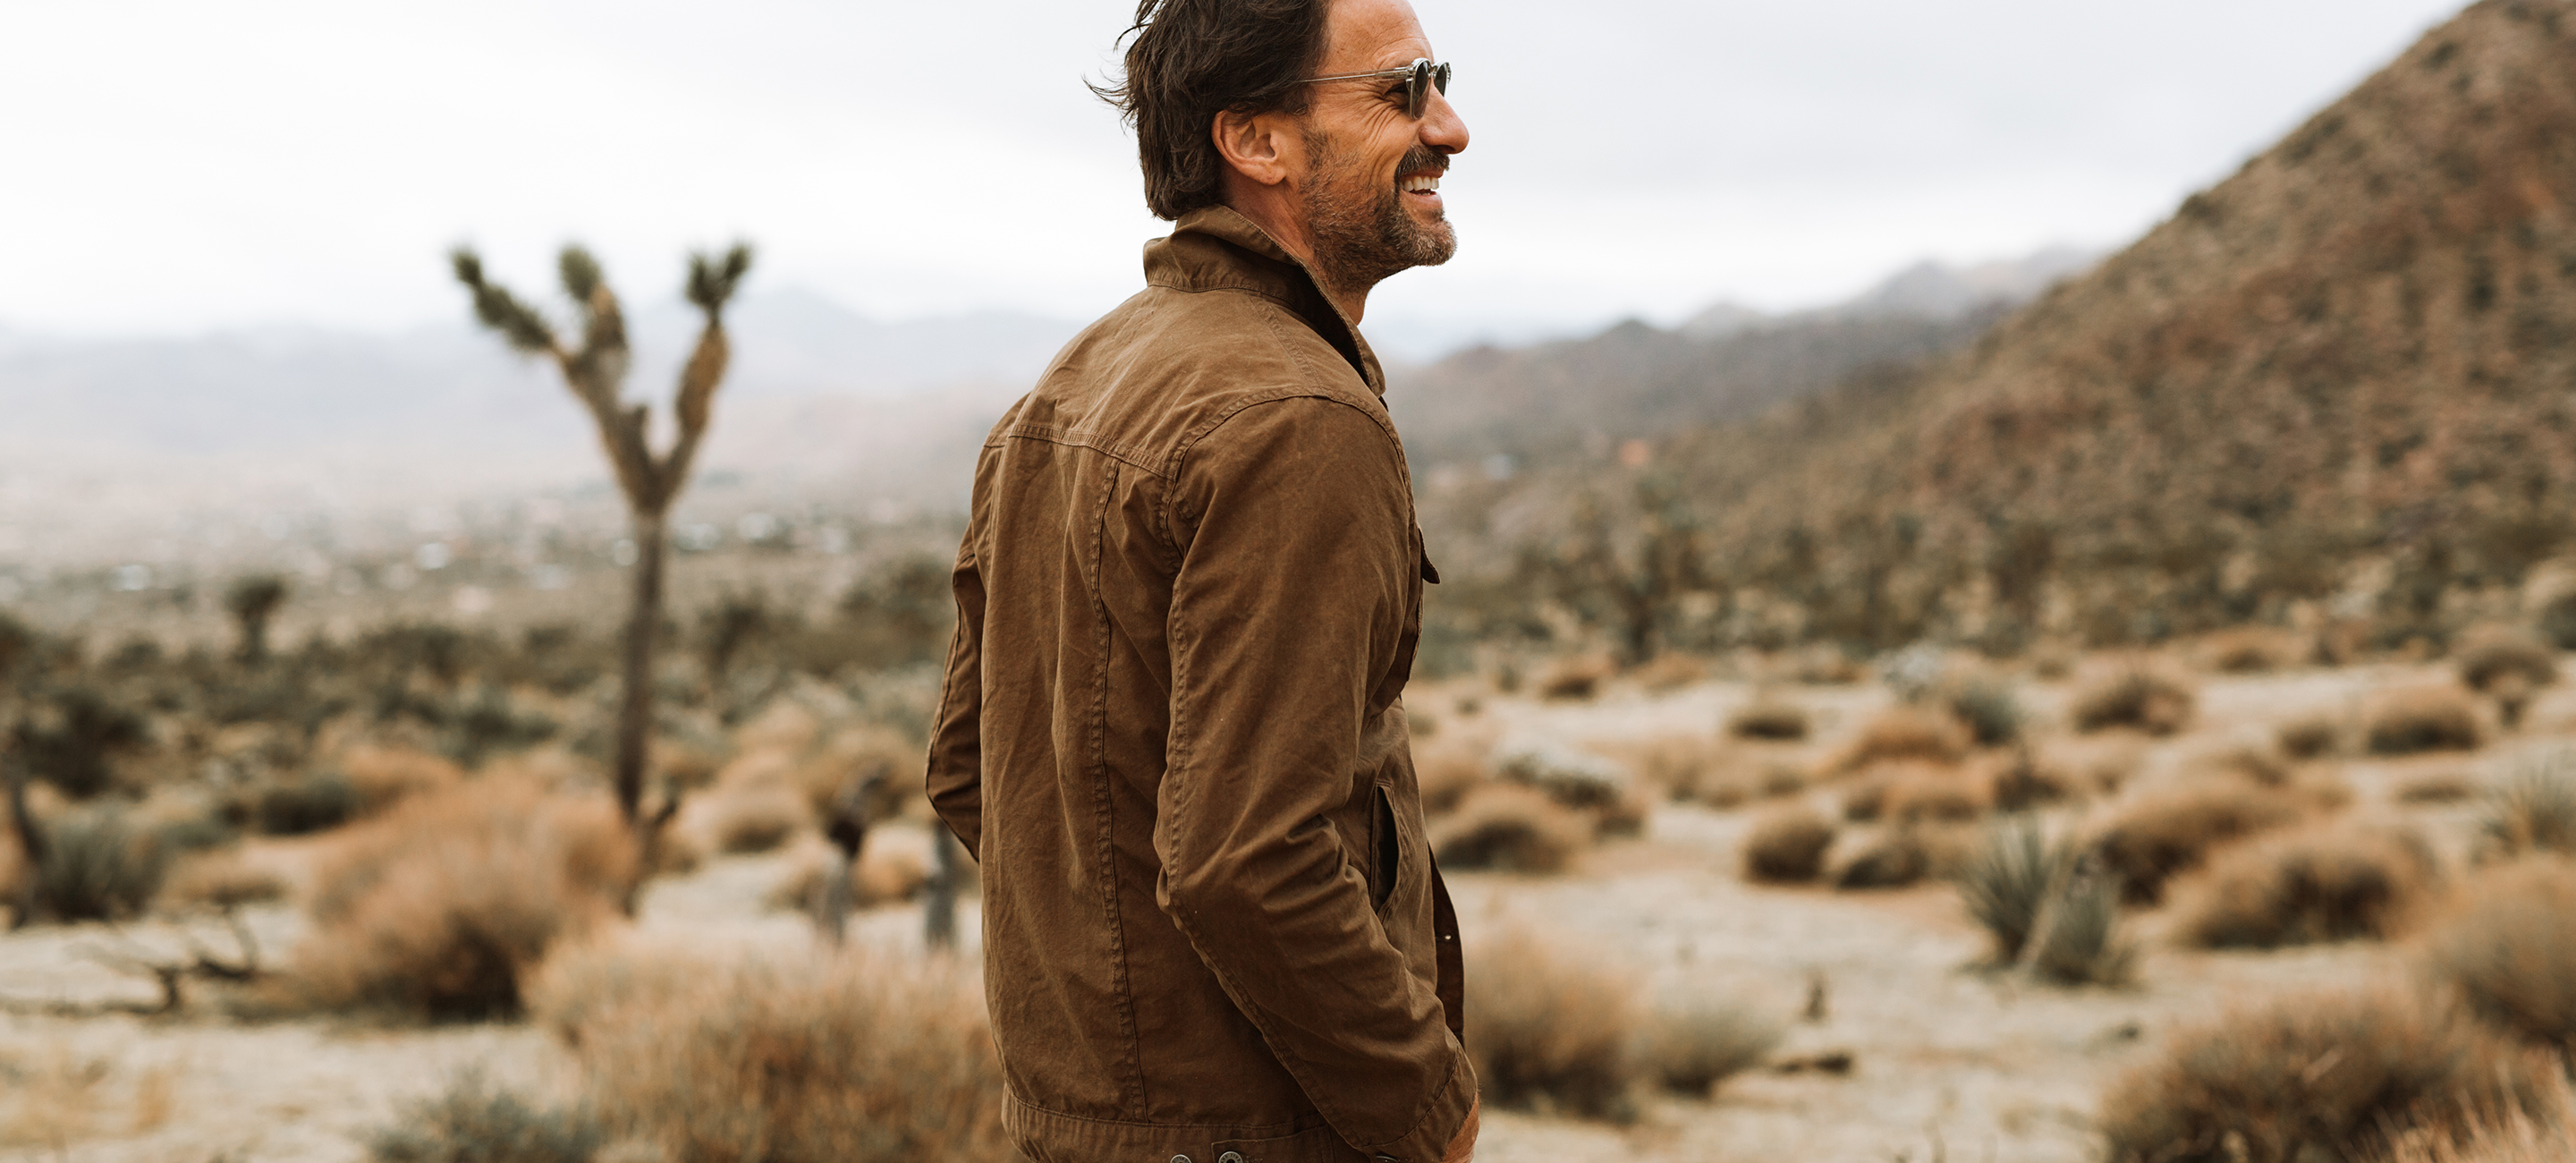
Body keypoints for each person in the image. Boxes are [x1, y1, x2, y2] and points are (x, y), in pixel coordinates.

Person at [924, 0, 1477, 1159]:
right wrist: (1427, 1105)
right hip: (1258, 1131)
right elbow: (1249, 860)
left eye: (1442, 80)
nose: (1449, 126)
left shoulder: (1064, 391)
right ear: (1256, 140)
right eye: (1402, 89)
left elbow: (974, 774)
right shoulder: (1298, 419)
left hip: (1086, 1126)